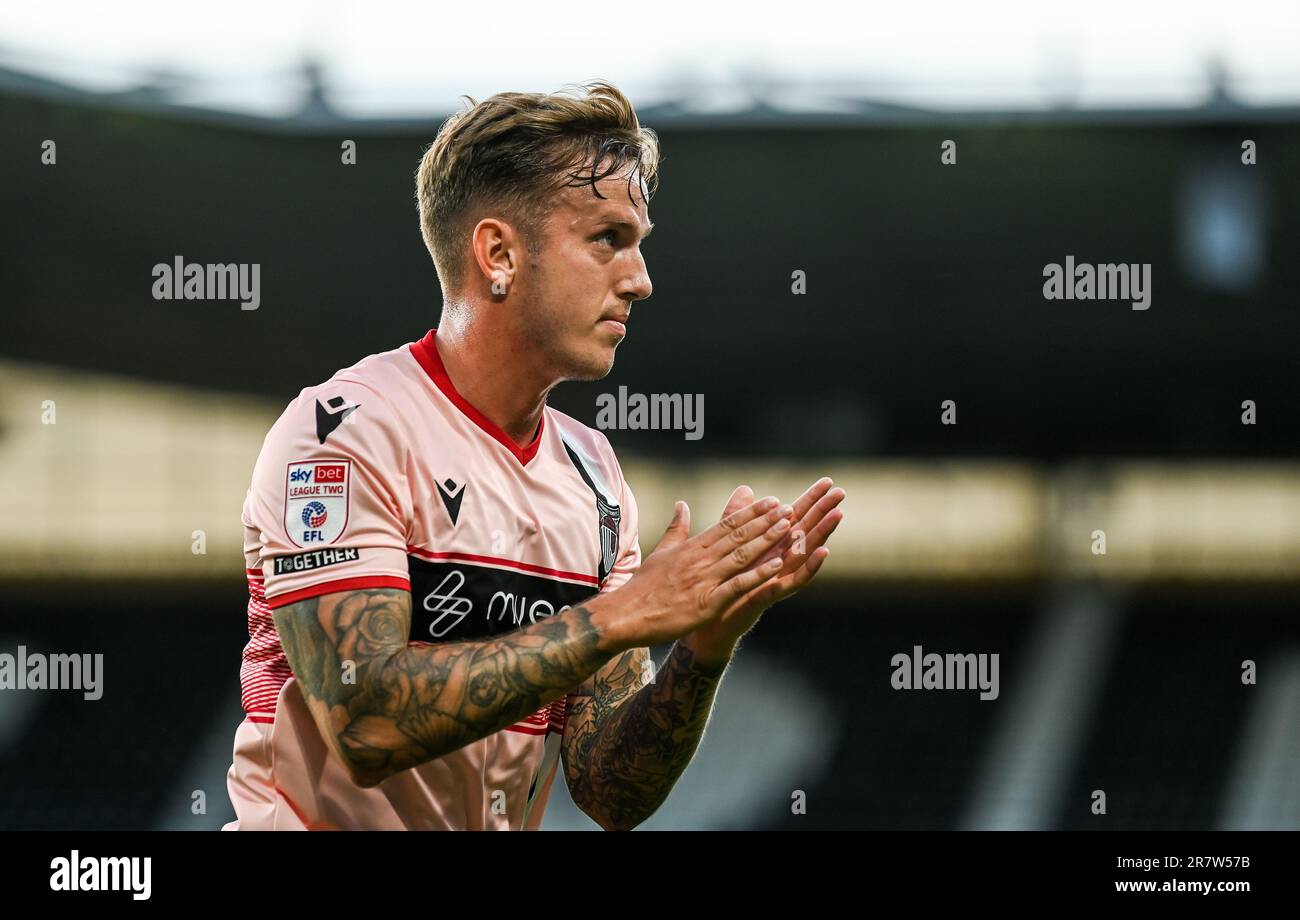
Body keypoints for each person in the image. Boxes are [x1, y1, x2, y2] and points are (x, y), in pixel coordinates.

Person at [223, 80, 845, 830]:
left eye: (639, 245)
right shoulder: (341, 432)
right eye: (607, 239)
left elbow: (609, 791)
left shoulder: (595, 480)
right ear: (499, 254)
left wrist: (703, 647)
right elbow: (364, 724)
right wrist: (619, 616)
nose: (641, 281)